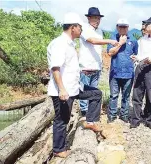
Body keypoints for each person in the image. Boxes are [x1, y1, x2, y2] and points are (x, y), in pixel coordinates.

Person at [47, 12, 103, 158]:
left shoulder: (70, 43)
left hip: (75, 87)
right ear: (73, 27)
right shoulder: (60, 43)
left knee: (96, 94)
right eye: (80, 27)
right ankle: (59, 149)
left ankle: (90, 121)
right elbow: (55, 68)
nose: (81, 30)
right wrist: (62, 89)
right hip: (64, 90)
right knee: (62, 120)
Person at [79, 7, 118, 116]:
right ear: (89, 18)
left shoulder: (99, 31)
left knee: (94, 92)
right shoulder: (84, 29)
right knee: (83, 92)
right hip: (85, 67)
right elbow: (93, 41)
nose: (97, 20)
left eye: (98, 18)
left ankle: (91, 115)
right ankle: (83, 114)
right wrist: (109, 41)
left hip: (96, 66)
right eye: (95, 18)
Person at [106, 18, 138, 123]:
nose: (122, 28)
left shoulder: (133, 40)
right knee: (114, 96)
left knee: (126, 96)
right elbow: (110, 53)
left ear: (128, 28)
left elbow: (136, 54)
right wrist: (120, 43)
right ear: (117, 27)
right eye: (120, 26)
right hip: (115, 73)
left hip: (128, 73)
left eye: (125, 26)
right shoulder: (112, 38)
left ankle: (124, 115)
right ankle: (112, 115)